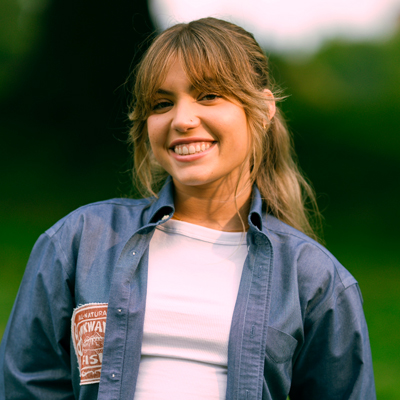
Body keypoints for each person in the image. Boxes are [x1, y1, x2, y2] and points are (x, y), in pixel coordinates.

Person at [0, 17, 375, 400]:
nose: (182, 120)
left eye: (209, 95)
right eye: (162, 104)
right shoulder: (80, 242)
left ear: (262, 110)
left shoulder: (315, 279)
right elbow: (25, 386)